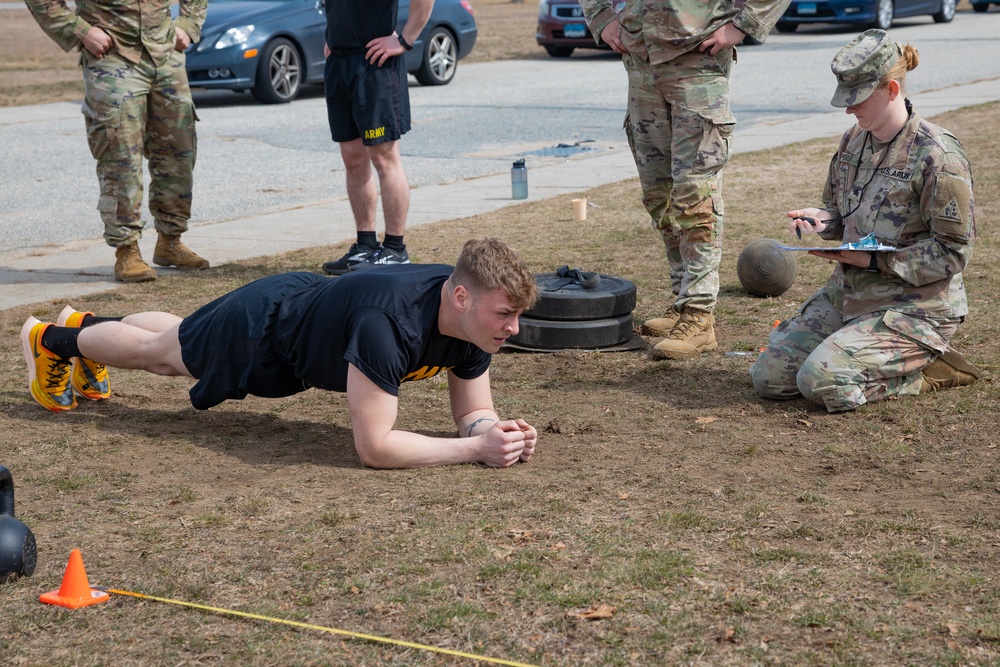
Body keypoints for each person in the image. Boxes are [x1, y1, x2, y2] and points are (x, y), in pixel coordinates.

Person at [22, 237, 540, 469]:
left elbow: (473, 410)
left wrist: (491, 433)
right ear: (462, 296)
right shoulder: (388, 325)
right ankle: (51, 340)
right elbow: (375, 448)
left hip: (302, 307)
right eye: (504, 315)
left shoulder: (474, 326)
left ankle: (83, 328)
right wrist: (472, 451)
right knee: (162, 354)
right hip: (264, 330)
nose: (513, 329)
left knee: (175, 337)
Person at [750, 30, 980, 413]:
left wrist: (875, 261)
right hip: (849, 294)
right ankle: (851, 344)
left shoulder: (937, 155)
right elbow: (840, 215)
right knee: (769, 379)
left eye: (857, 99)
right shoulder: (853, 142)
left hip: (914, 309)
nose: (848, 109)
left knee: (821, 382)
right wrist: (823, 221)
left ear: (891, 89)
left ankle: (928, 372)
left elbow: (954, 252)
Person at [579, 0, 790, 359]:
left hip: (697, 63)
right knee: (658, 196)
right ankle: (681, 301)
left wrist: (744, 24)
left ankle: (698, 315)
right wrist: (601, 17)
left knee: (695, 196)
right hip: (641, 64)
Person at [24, 0, 211, 283]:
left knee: (178, 154)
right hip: (112, 58)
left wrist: (188, 23)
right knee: (121, 157)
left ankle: (170, 241)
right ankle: (127, 251)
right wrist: (80, 30)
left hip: (165, 55)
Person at [320, 0, 434, 276]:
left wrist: (405, 41)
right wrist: (331, 36)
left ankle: (395, 249)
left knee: (384, 159)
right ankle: (365, 245)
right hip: (339, 62)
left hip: (374, 64)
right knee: (352, 158)